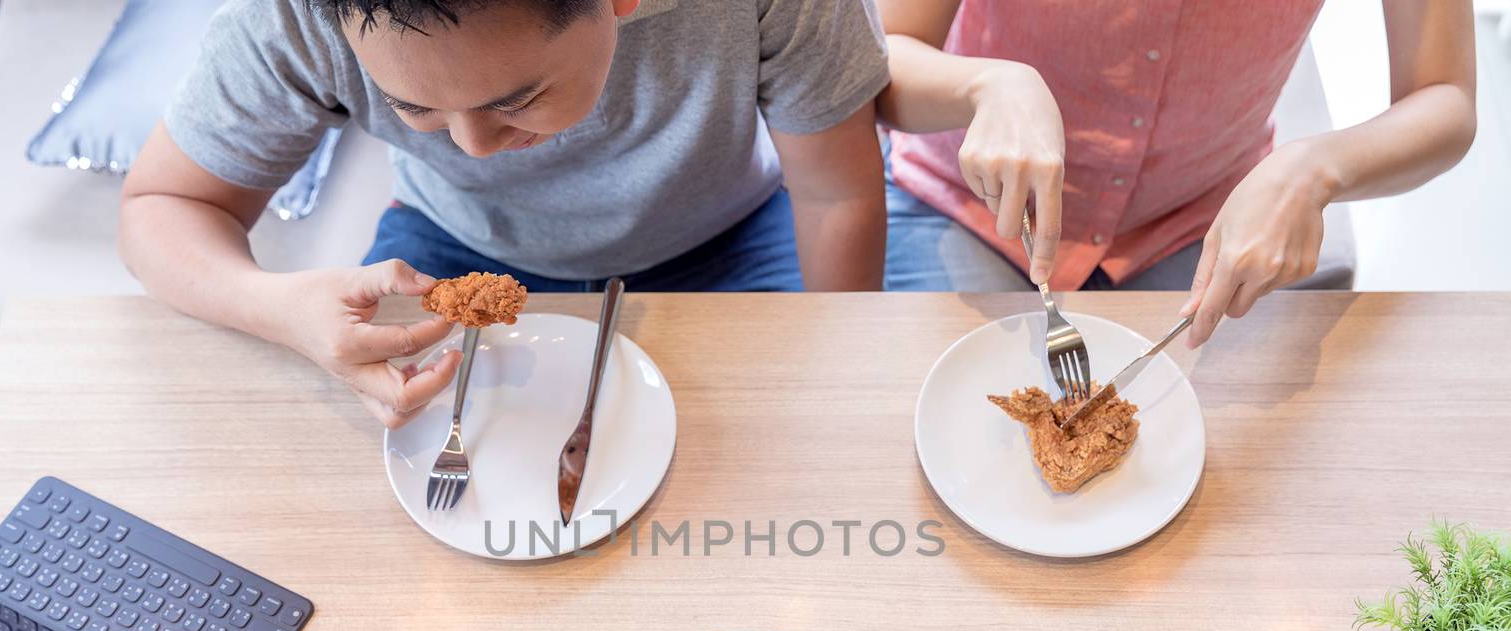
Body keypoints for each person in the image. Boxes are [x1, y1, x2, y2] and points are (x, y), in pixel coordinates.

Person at [119, 0, 888, 427]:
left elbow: (835, 194)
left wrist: (836, 367)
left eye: (515, 100)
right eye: (414, 107)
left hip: (732, 233)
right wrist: (281, 306)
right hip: (454, 247)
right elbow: (163, 206)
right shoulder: (293, 20)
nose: (475, 147)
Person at [875, 1, 1477, 347]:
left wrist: (1315, 169)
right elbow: (886, 57)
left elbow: (1445, 95)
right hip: (968, 205)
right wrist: (987, 85)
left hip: (1198, 222)